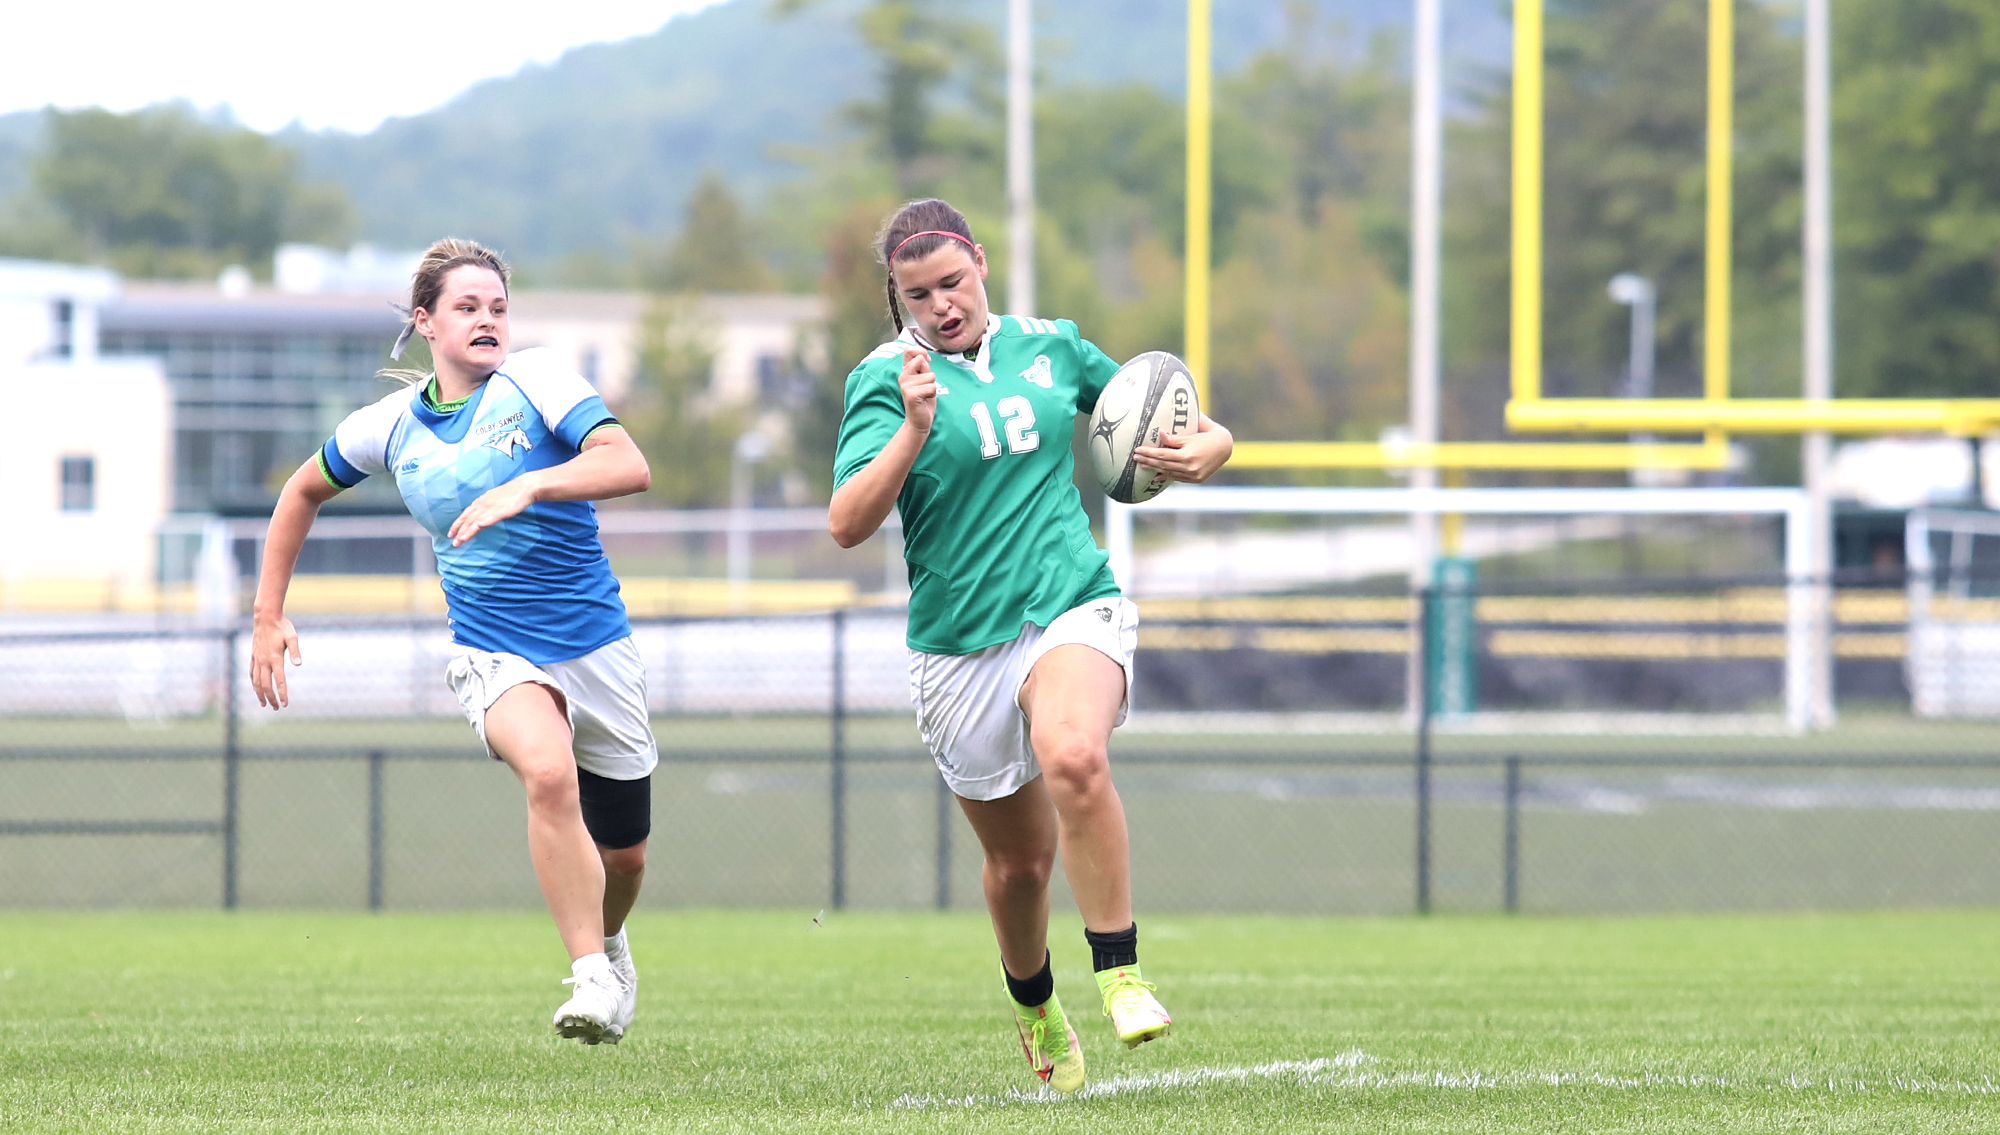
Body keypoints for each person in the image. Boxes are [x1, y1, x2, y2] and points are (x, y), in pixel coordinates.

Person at [829, 199, 1234, 1092]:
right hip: (959, 645)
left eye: (953, 282)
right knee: (1020, 864)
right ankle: (1035, 1003)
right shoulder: (883, 379)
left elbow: (1158, 415)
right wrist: (910, 429)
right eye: (918, 294)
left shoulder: (1052, 344)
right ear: (895, 299)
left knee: (1074, 753)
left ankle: (1122, 972)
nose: (941, 305)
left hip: (1067, 602)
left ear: (980, 263)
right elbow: (847, 523)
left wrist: (1218, 443)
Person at [248, 238, 656, 1046]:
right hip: (492, 651)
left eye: (498, 307)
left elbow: (627, 462)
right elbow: (301, 490)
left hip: (596, 646)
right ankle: (589, 979)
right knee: (546, 772)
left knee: (629, 858)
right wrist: (268, 613)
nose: (487, 320)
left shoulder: (536, 381)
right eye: (467, 307)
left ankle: (610, 946)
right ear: (425, 322)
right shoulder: (391, 426)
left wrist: (531, 482)